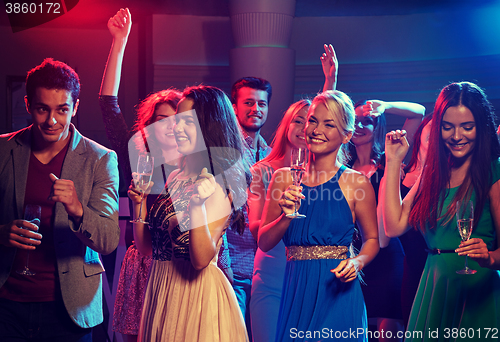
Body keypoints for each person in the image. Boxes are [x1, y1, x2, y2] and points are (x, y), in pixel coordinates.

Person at [0, 58, 120, 341]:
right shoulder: (3, 150)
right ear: (28, 105)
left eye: (62, 110)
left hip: (70, 310)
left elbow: (108, 240)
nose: (52, 121)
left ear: (75, 108)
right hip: (7, 305)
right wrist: (1, 233)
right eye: (42, 109)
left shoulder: (101, 159)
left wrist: (78, 210)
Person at [259, 90, 380, 342]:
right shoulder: (283, 178)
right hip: (297, 289)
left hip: (339, 290)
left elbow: (372, 241)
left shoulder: (356, 183)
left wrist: (357, 263)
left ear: (346, 135)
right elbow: (264, 241)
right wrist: (286, 216)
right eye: (312, 120)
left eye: (329, 124)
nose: (316, 129)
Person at [383, 81, 500, 341]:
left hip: (478, 292)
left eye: (467, 127)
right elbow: (393, 226)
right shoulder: (433, 173)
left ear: (481, 127)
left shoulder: (495, 170)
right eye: (448, 127)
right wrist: (393, 161)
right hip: (434, 287)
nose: (456, 136)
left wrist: (490, 258)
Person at [132, 85, 250, 342]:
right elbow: (147, 249)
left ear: (208, 126)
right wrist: (139, 204)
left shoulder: (220, 183)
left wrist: (196, 208)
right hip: (161, 289)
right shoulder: (176, 176)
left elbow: (200, 261)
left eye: (187, 121)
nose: (176, 128)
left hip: (196, 297)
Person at [98, 8, 184, 342]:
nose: (169, 125)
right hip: (143, 264)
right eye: (160, 119)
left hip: (183, 266)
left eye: (176, 118)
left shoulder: (197, 166)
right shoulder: (139, 159)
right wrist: (119, 42)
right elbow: (108, 105)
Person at [346, 98, 425, 341]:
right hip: (352, 255)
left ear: (377, 126)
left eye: (367, 121)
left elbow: (419, 113)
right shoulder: (340, 167)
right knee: (354, 327)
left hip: (387, 255)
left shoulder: (389, 162)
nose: (359, 126)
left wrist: (386, 106)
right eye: (355, 121)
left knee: (388, 330)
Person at [248, 99, 310, 342]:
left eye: (311, 122)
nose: (305, 128)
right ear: (286, 125)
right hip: (272, 268)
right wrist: (281, 215)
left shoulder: (325, 175)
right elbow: (255, 228)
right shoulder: (261, 171)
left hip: (309, 271)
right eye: (298, 120)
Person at [226, 76, 273, 338]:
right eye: (249, 102)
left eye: (262, 104)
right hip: (234, 263)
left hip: (264, 266)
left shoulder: (270, 153)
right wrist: (225, 266)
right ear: (234, 106)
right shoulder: (225, 149)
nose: (256, 109)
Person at [395, 115, 432, 328]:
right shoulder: (399, 174)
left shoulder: (444, 178)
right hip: (410, 265)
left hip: (436, 262)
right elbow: (390, 230)